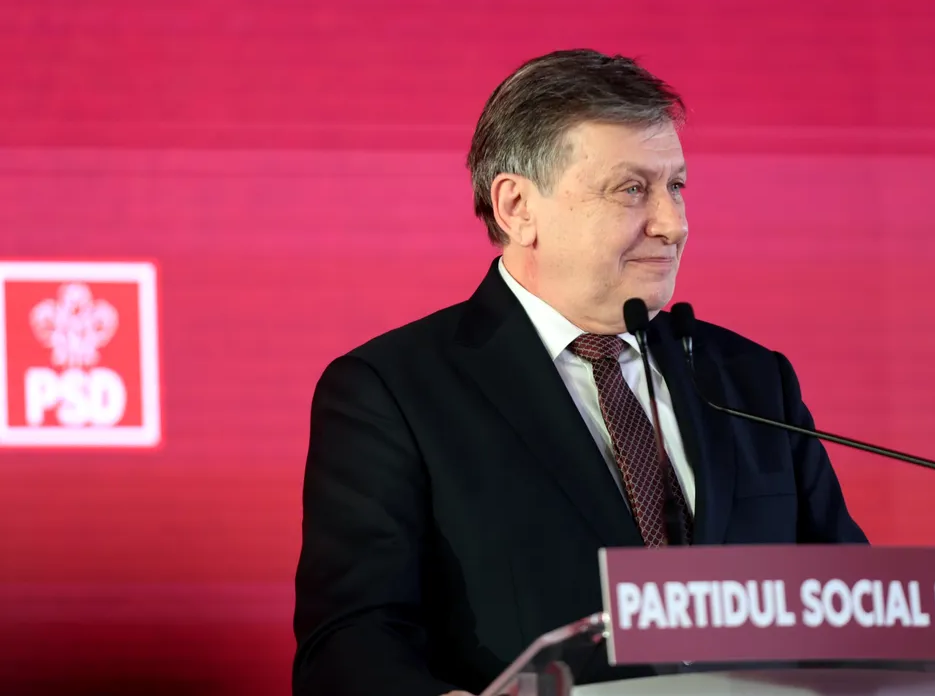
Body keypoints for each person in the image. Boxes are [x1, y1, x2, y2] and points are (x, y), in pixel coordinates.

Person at [291, 49, 868, 696]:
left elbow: (857, 613)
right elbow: (351, 643)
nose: (673, 224)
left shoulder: (751, 380)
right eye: (632, 189)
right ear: (517, 207)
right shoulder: (393, 392)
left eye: (676, 186)